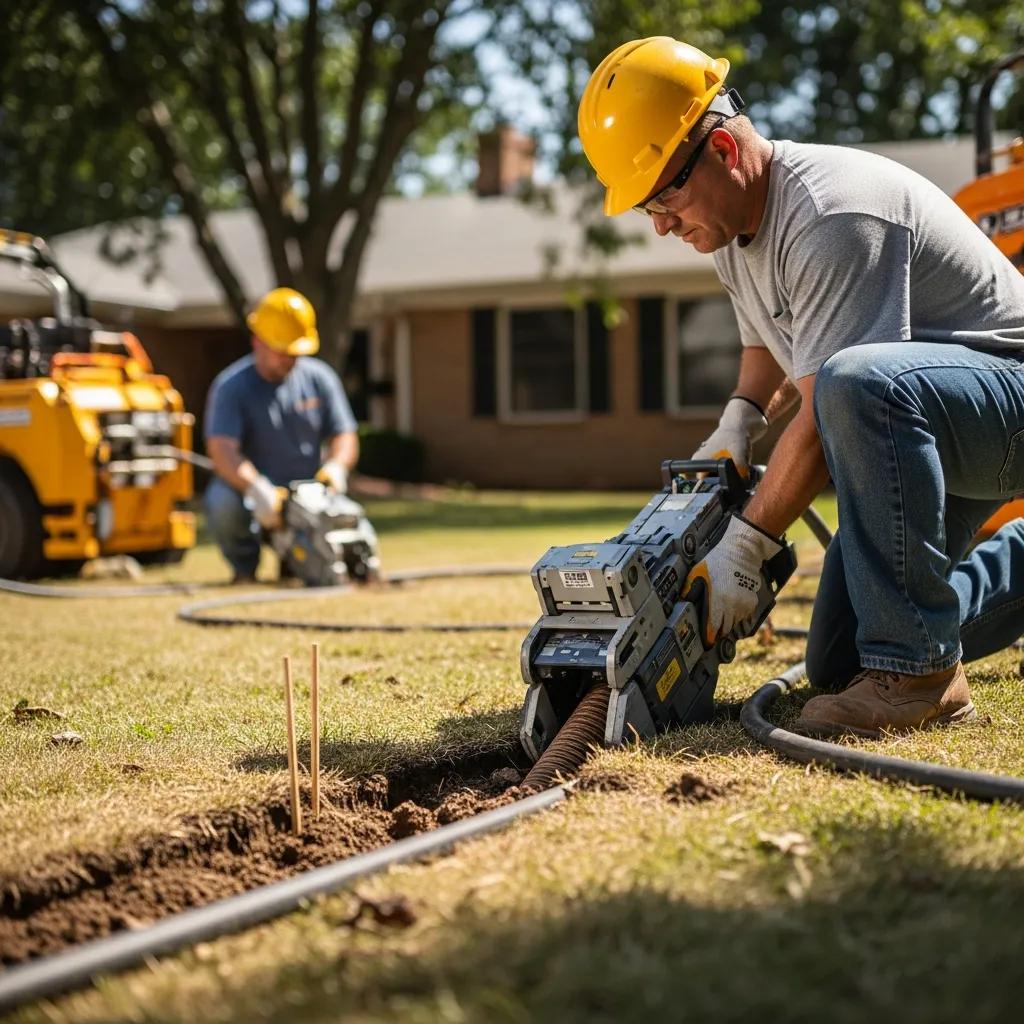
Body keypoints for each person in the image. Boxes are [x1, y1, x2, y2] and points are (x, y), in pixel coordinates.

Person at [578, 36, 1024, 738]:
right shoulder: (727, 226)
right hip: (934, 415)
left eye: (665, 194)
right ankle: (929, 631)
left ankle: (923, 675)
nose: (661, 223)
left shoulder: (830, 216)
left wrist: (746, 545)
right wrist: (737, 423)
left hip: (1006, 404)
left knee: (858, 383)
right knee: (841, 658)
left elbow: (830, 406)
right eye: (646, 207)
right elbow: (774, 345)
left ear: (723, 150)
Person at [204, 287, 359, 582]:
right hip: (258, 493)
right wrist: (255, 487)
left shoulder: (319, 378)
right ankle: (244, 570)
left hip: (310, 490)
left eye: (296, 351)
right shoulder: (231, 387)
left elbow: (345, 434)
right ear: (257, 342)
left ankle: (298, 563)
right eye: (283, 350)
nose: (291, 358)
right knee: (222, 501)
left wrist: (337, 466)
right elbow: (222, 449)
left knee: (350, 520)